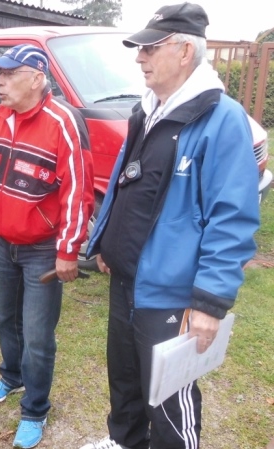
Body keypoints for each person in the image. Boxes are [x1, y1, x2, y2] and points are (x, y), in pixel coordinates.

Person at [82, 3, 260, 449]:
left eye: (150, 48)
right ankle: (124, 441)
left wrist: (209, 303)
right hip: (127, 281)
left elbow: (232, 218)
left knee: (168, 398)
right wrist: (106, 241)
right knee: (124, 378)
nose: (139, 57)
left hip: (171, 293)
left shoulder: (221, 120)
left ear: (184, 51)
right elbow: (126, 183)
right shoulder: (148, 111)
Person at [0, 44, 95, 448]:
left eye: (8, 74)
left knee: (37, 335)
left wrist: (68, 250)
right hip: (3, 242)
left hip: (42, 250)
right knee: (5, 318)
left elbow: (79, 193)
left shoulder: (63, 123)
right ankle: (12, 376)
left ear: (36, 79)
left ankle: (35, 409)